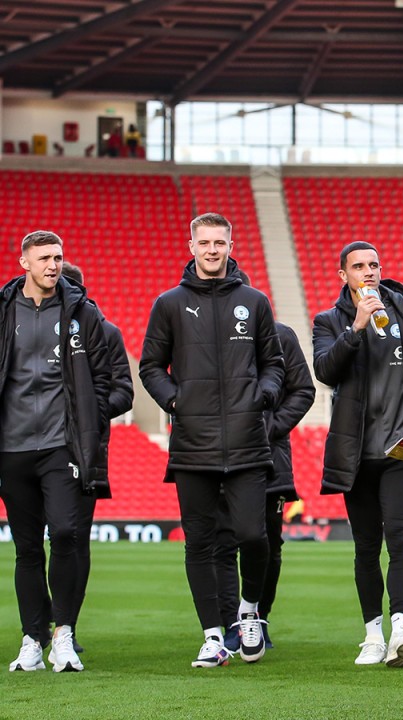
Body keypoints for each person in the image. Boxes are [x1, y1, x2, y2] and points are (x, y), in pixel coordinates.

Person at [139, 212, 284, 668]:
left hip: (247, 441)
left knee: (253, 536)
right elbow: (150, 366)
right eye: (204, 243)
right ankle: (212, 636)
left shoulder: (254, 301)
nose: (212, 250)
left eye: (219, 242)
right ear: (192, 247)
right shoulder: (169, 303)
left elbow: (274, 364)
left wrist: (263, 395)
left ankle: (249, 612)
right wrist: (176, 401)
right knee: (199, 543)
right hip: (193, 444)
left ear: (230, 246)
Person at [313, 241, 403, 668]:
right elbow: (325, 371)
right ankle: (373, 635)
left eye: (374, 264)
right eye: (358, 266)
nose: (368, 272)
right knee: (365, 546)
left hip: (402, 450)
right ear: (343, 275)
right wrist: (356, 328)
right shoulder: (329, 321)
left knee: (400, 540)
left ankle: (402, 629)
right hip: (356, 453)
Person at [1, 231, 111, 673]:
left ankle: (63, 634)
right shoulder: (4, 309)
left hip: (60, 444)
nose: (53, 264)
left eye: (58, 257)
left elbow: (103, 377)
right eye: (44, 257)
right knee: (27, 548)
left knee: (65, 533)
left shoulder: (83, 311)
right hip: (11, 446)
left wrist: (88, 424)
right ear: (24, 262)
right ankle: (33, 639)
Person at [216, 271, 315, 653]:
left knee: (268, 543)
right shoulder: (203, 337)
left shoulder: (280, 336)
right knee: (222, 543)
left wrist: (269, 427)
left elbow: (302, 390)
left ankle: (258, 616)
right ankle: (230, 624)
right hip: (215, 455)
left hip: (269, 459)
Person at [58, 262, 134, 655]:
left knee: (73, 539)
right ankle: (37, 629)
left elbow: (124, 391)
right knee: (35, 545)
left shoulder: (105, 332)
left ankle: (65, 627)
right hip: (31, 446)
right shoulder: (27, 327)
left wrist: (88, 412)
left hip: (83, 451)